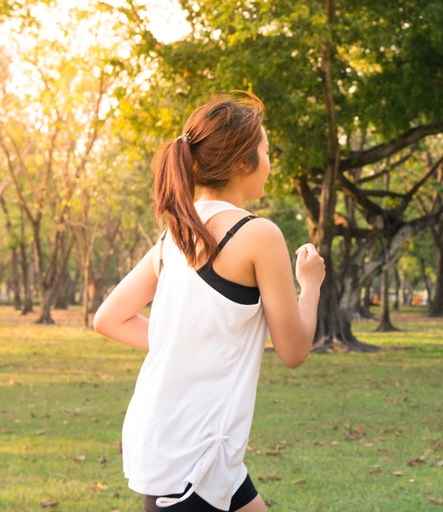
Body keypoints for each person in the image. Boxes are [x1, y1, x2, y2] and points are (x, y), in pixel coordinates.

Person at [93, 92, 325, 512]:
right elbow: (293, 350)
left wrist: (185, 341)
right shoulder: (258, 235)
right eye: (266, 151)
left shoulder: (174, 236)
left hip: (188, 445)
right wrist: (310, 286)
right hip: (191, 459)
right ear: (241, 162)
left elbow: (109, 318)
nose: (270, 163)